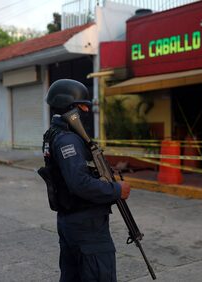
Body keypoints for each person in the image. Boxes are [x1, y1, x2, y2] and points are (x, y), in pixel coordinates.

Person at [43, 79, 131, 282]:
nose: (86, 110)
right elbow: (79, 183)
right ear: (69, 107)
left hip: (71, 220)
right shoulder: (68, 139)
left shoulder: (54, 134)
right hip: (85, 226)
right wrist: (116, 190)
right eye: (82, 106)